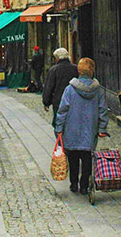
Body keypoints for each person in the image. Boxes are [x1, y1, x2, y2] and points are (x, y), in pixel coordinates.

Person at [54, 57, 109, 195]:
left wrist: (59, 128)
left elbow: (63, 110)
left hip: (72, 129)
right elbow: (103, 110)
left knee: (72, 157)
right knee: (86, 157)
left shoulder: (70, 89)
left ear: (79, 71)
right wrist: (102, 128)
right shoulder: (98, 90)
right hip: (90, 130)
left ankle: (74, 184)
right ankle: (84, 185)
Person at [43, 48, 77, 126]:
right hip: (74, 100)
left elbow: (49, 87)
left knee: (59, 122)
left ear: (57, 58)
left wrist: (46, 102)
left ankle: (60, 137)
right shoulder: (75, 68)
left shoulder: (54, 70)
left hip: (59, 101)